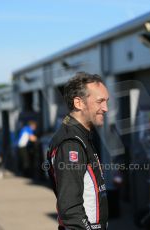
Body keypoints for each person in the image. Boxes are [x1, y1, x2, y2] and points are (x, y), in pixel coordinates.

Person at [47, 72, 109, 230]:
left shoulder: (82, 136)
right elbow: (70, 209)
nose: (106, 108)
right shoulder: (71, 143)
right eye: (100, 101)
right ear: (79, 103)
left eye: (106, 101)